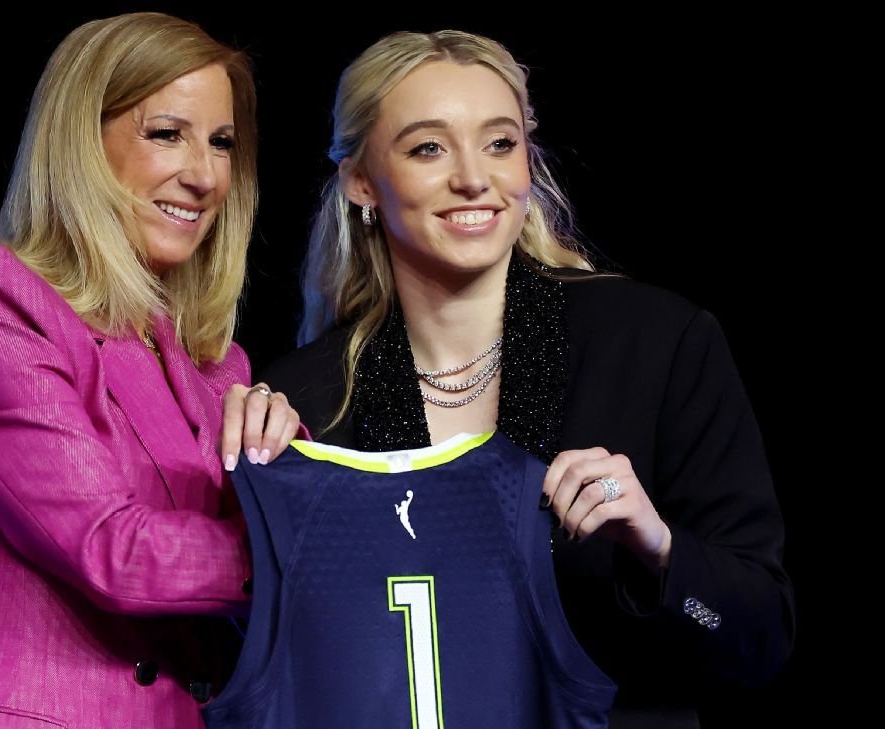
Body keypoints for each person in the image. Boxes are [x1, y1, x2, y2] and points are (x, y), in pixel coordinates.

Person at [260, 29, 794, 726]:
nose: (473, 178)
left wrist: (659, 549)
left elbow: (762, 637)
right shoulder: (308, 403)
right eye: (428, 148)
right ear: (361, 181)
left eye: (499, 143)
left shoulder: (656, 343)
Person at [0, 13, 298, 729]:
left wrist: (296, 460)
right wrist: (305, 546)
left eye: (222, 143)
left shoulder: (220, 366)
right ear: (82, 144)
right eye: (167, 133)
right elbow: (111, 550)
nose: (204, 175)